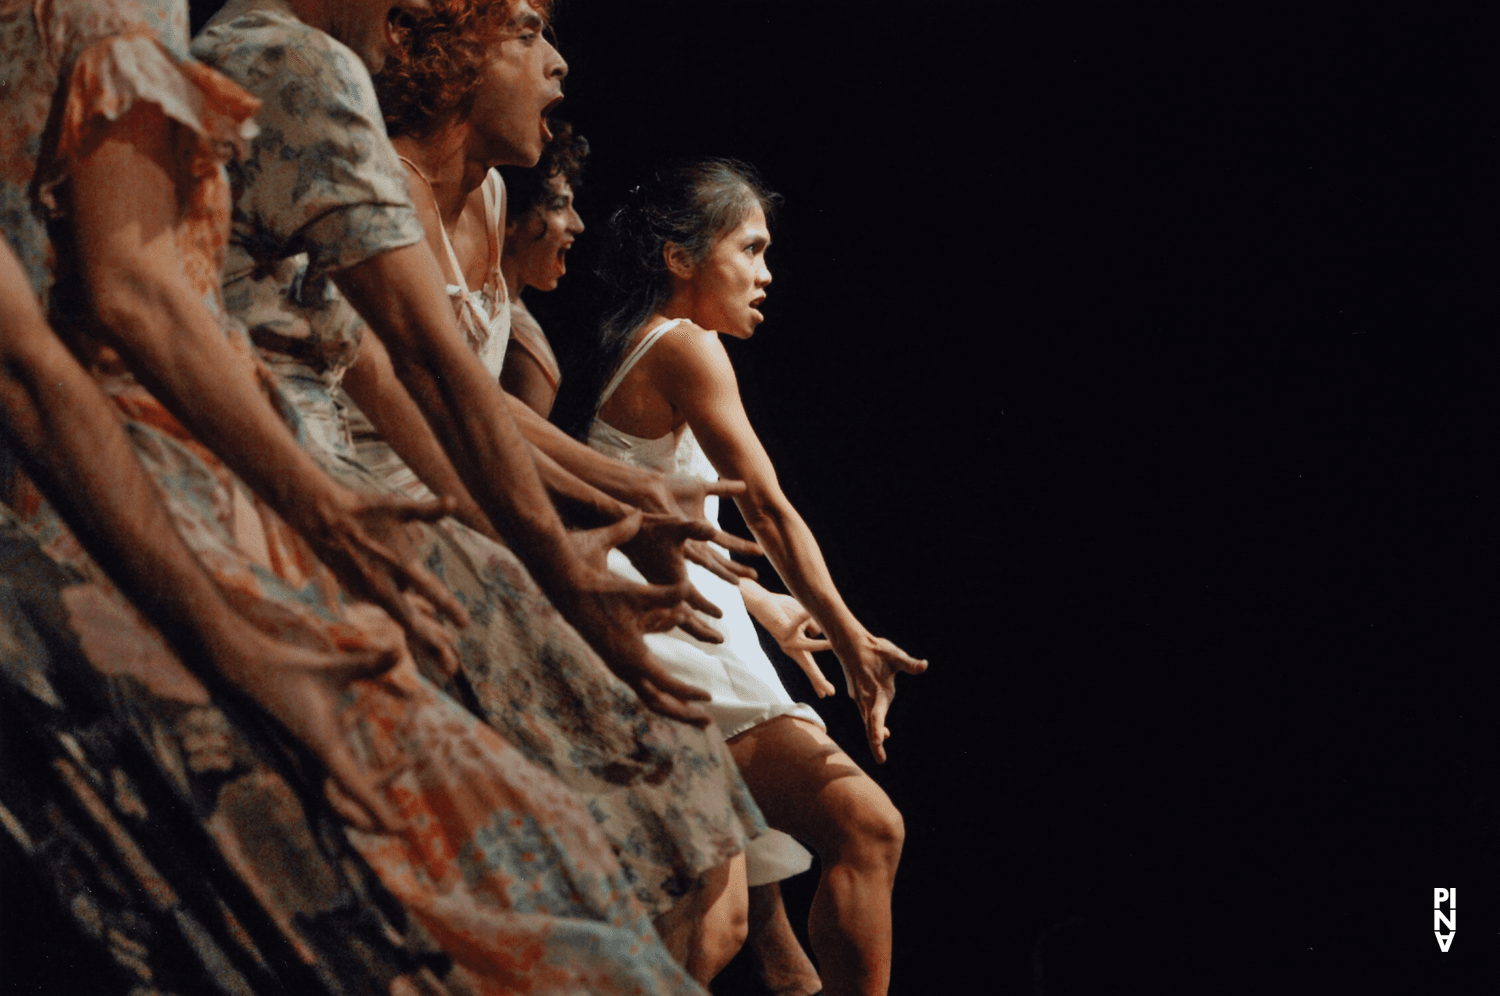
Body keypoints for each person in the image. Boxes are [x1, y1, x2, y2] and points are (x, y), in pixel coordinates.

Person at [0, 1, 713, 991]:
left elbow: (383, 362)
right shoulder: (280, 61)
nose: (427, 15)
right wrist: (513, 550)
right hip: (159, 494)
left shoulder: (202, 41)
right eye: (523, 27)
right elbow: (122, 307)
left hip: (216, 486)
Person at [192, 0, 766, 969]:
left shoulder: (472, 194)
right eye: (530, 27)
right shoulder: (297, 73)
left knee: (687, 860)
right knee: (592, 853)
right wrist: (548, 550)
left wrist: (592, 512)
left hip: (406, 513)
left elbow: (435, 385)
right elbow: (425, 372)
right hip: (338, 515)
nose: (558, 62)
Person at [582, 159, 930, 996]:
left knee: (755, 926)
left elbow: (673, 523)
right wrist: (849, 635)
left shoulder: (650, 348)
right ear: (681, 257)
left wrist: (763, 602)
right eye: (751, 249)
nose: (767, 274)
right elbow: (767, 513)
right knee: (841, 839)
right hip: (672, 650)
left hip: (691, 631)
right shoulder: (684, 347)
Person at [496, 118, 587, 419]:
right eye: (559, 205)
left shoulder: (513, 315)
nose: (578, 225)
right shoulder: (514, 340)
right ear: (511, 217)